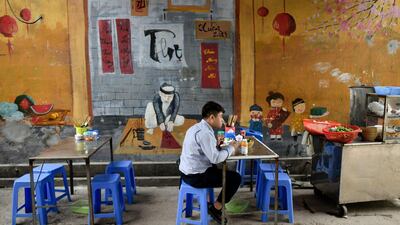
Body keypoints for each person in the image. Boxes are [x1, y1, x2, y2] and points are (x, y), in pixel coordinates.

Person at [179, 101, 241, 224]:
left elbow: (206, 151)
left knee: (223, 171)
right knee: (235, 178)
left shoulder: (197, 127)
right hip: (196, 176)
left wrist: (217, 144)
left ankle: (211, 202)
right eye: (220, 116)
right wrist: (232, 148)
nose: (223, 120)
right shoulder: (205, 133)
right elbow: (215, 158)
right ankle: (216, 208)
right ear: (212, 117)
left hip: (187, 171)